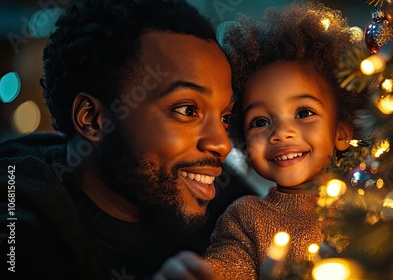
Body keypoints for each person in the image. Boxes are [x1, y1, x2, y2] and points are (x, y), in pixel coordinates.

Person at [0, 0, 256, 279]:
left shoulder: (221, 196)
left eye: (224, 117)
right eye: (187, 110)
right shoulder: (17, 222)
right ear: (93, 119)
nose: (222, 144)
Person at [154, 2, 369, 279]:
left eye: (303, 113)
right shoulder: (246, 217)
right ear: (243, 139)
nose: (280, 133)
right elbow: (229, 263)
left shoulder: (372, 204)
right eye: (260, 122)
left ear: (342, 131)